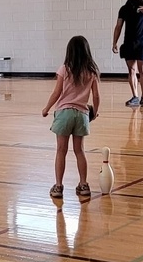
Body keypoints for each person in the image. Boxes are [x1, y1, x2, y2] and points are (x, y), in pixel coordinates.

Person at [42, 35, 102, 199]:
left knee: (61, 150)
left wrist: (46, 108)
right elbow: (96, 96)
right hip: (82, 115)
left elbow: (57, 92)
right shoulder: (91, 72)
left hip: (64, 113)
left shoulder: (64, 69)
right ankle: (83, 185)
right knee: (79, 151)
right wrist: (94, 112)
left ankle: (59, 186)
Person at [112, 0, 143, 108]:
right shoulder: (124, 9)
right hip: (129, 42)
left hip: (142, 41)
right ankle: (135, 96)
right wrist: (114, 42)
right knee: (131, 70)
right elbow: (118, 26)